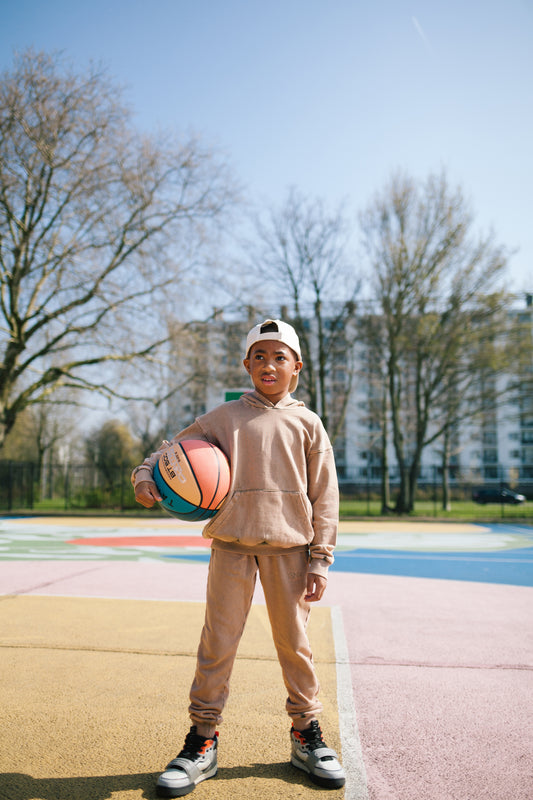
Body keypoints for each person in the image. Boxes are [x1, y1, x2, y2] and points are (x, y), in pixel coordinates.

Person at [132, 319, 346, 797]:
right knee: (218, 644)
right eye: (260, 356)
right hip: (231, 546)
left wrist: (320, 558)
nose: (269, 365)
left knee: (295, 646)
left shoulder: (308, 423)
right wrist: (144, 479)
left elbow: (325, 496)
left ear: (297, 367)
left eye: (279, 357)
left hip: (291, 549)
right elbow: (164, 454)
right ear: (246, 364)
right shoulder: (223, 417)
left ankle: (306, 734)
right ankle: (201, 740)